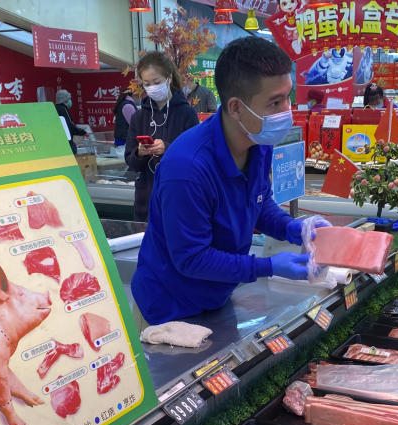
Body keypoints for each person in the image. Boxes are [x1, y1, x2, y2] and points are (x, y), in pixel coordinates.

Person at [131, 37, 328, 325]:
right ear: (236, 108)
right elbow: (192, 258)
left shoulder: (257, 141)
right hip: (168, 310)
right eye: (275, 102)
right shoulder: (187, 169)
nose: (286, 110)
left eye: (288, 97)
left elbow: (257, 203)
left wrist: (294, 228)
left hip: (216, 298)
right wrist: (268, 266)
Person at [124, 52, 198, 222]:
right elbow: (131, 161)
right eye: (147, 84)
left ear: (169, 78)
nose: (152, 87)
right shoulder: (139, 116)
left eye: (156, 82)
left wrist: (168, 148)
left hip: (178, 197)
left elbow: (197, 157)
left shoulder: (186, 114)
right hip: (146, 200)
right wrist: (140, 153)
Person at [54, 89, 87, 155]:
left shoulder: (54, 108)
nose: (70, 101)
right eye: (69, 99)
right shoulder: (63, 109)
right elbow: (69, 124)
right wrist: (82, 132)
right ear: (65, 100)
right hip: (66, 142)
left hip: (58, 141)